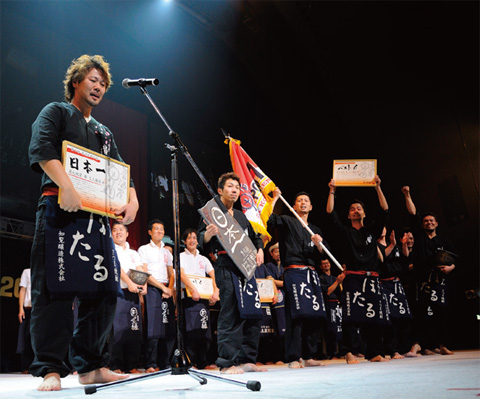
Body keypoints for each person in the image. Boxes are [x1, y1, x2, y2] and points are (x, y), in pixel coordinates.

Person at [28, 54, 139, 391]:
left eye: (103, 84)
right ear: (75, 81)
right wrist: (67, 185)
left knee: (105, 289)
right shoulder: (56, 112)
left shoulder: (104, 132)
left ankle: (91, 364)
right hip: (58, 211)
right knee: (54, 289)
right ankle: (50, 367)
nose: (98, 87)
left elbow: (120, 171)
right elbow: (42, 149)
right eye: (92, 80)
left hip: (97, 217)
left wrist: (132, 201)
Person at [198, 172, 266, 375]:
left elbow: (256, 238)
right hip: (226, 267)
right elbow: (202, 238)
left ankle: (247, 358)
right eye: (229, 186)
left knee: (253, 314)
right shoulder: (213, 213)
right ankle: (227, 362)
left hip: (247, 270)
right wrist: (208, 235)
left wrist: (260, 249)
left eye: (237, 187)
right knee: (231, 314)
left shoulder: (243, 216)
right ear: (220, 190)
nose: (234, 190)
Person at [326, 175, 390, 364]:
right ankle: (348, 351)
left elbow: (385, 210)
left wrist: (378, 187)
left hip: (371, 278)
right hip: (353, 278)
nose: (355, 211)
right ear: (349, 215)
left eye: (359, 208)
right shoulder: (345, 232)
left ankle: (374, 352)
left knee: (374, 316)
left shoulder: (372, 230)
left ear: (364, 213)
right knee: (351, 316)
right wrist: (332, 190)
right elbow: (331, 214)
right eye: (352, 209)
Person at [267, 189, 328, 369]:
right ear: (293, 206)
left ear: (311, 206)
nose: (303, 203)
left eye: (306, 200)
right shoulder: (287, 221)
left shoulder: (315, 229)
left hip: (311, 274)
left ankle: (309, 355)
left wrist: (319, 246)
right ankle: (293, 357)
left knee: (316, 315)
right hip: (294, 272)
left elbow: (323, 257)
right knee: (295, 316)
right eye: (299, 200)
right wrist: (276, 199)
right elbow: (270, 220)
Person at [401, 186, 457, 355]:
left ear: (437, 223)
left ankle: (440, 344)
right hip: (421, 280)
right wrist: (407, 195)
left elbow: (455, 259)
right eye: (426, 221)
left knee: (441, 313)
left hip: (440, 282)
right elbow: (412, 214)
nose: (429, 223)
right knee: (420, 313)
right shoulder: (418, 237)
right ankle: (418, 345)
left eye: (431, 221)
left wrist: (450, 268)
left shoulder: (444, 240)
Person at [138, 219, 175, 372]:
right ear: (149, 232)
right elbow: (145, 273)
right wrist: (162, 287)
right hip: (154, 289)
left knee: (168, 327)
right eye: (156, 229)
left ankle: (165, 363)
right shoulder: (144, 249)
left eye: (162, 229)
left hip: (167, 289)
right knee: (153, 327)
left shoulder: (167, 252)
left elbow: (171, 273)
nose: (160, 231)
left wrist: (170, 289)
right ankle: (151, 363)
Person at [179, 228, 219, 369]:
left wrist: (215, 291)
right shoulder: (181, 257)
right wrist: (192, 289)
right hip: (188, 298)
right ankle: (191, 363)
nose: (192, 240)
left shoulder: (204, 259)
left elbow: (213, 275)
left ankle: (203, 362)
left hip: (203, 298)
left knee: (205, 331)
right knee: (190, 332)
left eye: (194, 238)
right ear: (184, 242)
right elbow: (182, 274)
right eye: (189, 238)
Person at [109, 222, 146, 374]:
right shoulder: (111, 250)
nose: (118, 232)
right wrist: (130, 282)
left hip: (133, 294)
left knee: (133, 329)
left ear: (127, 233)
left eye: (121, 230)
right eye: (115, 230)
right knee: (117, 330)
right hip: (118, 292)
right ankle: (115, 365)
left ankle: (131, 364)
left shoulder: (134, 253)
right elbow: (117, 267)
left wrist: (143, 286)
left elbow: (139, 269)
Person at [377, 228, 412, 359]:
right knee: (390, 318)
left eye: (384, 227)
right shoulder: (375, 246)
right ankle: (393, 350)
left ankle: (405, 349)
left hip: (397, 283)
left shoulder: (395, 245)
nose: (382, 230)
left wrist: (403, 245)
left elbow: (405, 258)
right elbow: (381, 259)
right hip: (384, 284)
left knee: (405, 317)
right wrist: (392, 245)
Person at [319, 259, 345, 359]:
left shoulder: (334, 277)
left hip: (338, 304)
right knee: (331, 328)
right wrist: (337, 282)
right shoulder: (321, 278)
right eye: (324, 263)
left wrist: (340, 281)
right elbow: (328, 292)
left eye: (327, 263)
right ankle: (331, 353)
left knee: (340, 328)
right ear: (321, 267)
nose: (326, 265)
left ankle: (342, 352)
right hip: (328, 304)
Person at [17, 268, 34, 374]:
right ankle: (26, 366)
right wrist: (20, 308)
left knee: (38, 338)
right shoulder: (27, 272)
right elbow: (23, 289)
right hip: (28, 308)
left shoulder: (46, 270)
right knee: (26, 337)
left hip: (41, 309)